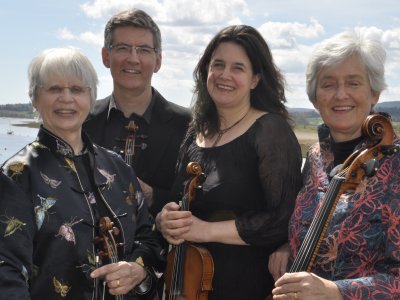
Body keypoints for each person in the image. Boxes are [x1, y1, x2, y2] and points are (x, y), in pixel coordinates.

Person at [0, 47, 164, 299]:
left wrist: (137, 269)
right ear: (34, 98)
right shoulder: (17, 175)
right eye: (54, 89)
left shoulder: (117, 167)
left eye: (77, 89)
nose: (66, 98)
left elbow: (149, 237)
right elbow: (7, 273)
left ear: (90, 97)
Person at [156, 25, 303, 299]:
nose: (225, 75)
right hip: (189, 281)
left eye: (238, 68)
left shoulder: (270, 131)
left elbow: (283, 218)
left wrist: (205, 231)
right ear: (206, 71)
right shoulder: (195, 132)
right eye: (218, 65)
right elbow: (177, 198)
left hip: (245, 283)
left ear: (256, 79)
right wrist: (165, 218)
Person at [269, 30, 400, 300]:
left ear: (374, 93)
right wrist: (289, 245)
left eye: (353, 83)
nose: (341, 95)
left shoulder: (395, 164)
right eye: (328, 84)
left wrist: (336, 291)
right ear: (315, 98)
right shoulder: (315, 157)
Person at [83, 8, 191, 217]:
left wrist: (153, 196)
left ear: (158, 61)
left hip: (162, 247)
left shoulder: (187, 124)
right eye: (123, 48)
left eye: (143, 50)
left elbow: (202, 200)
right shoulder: (83, 121)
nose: (133, 59)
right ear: (106, 56)